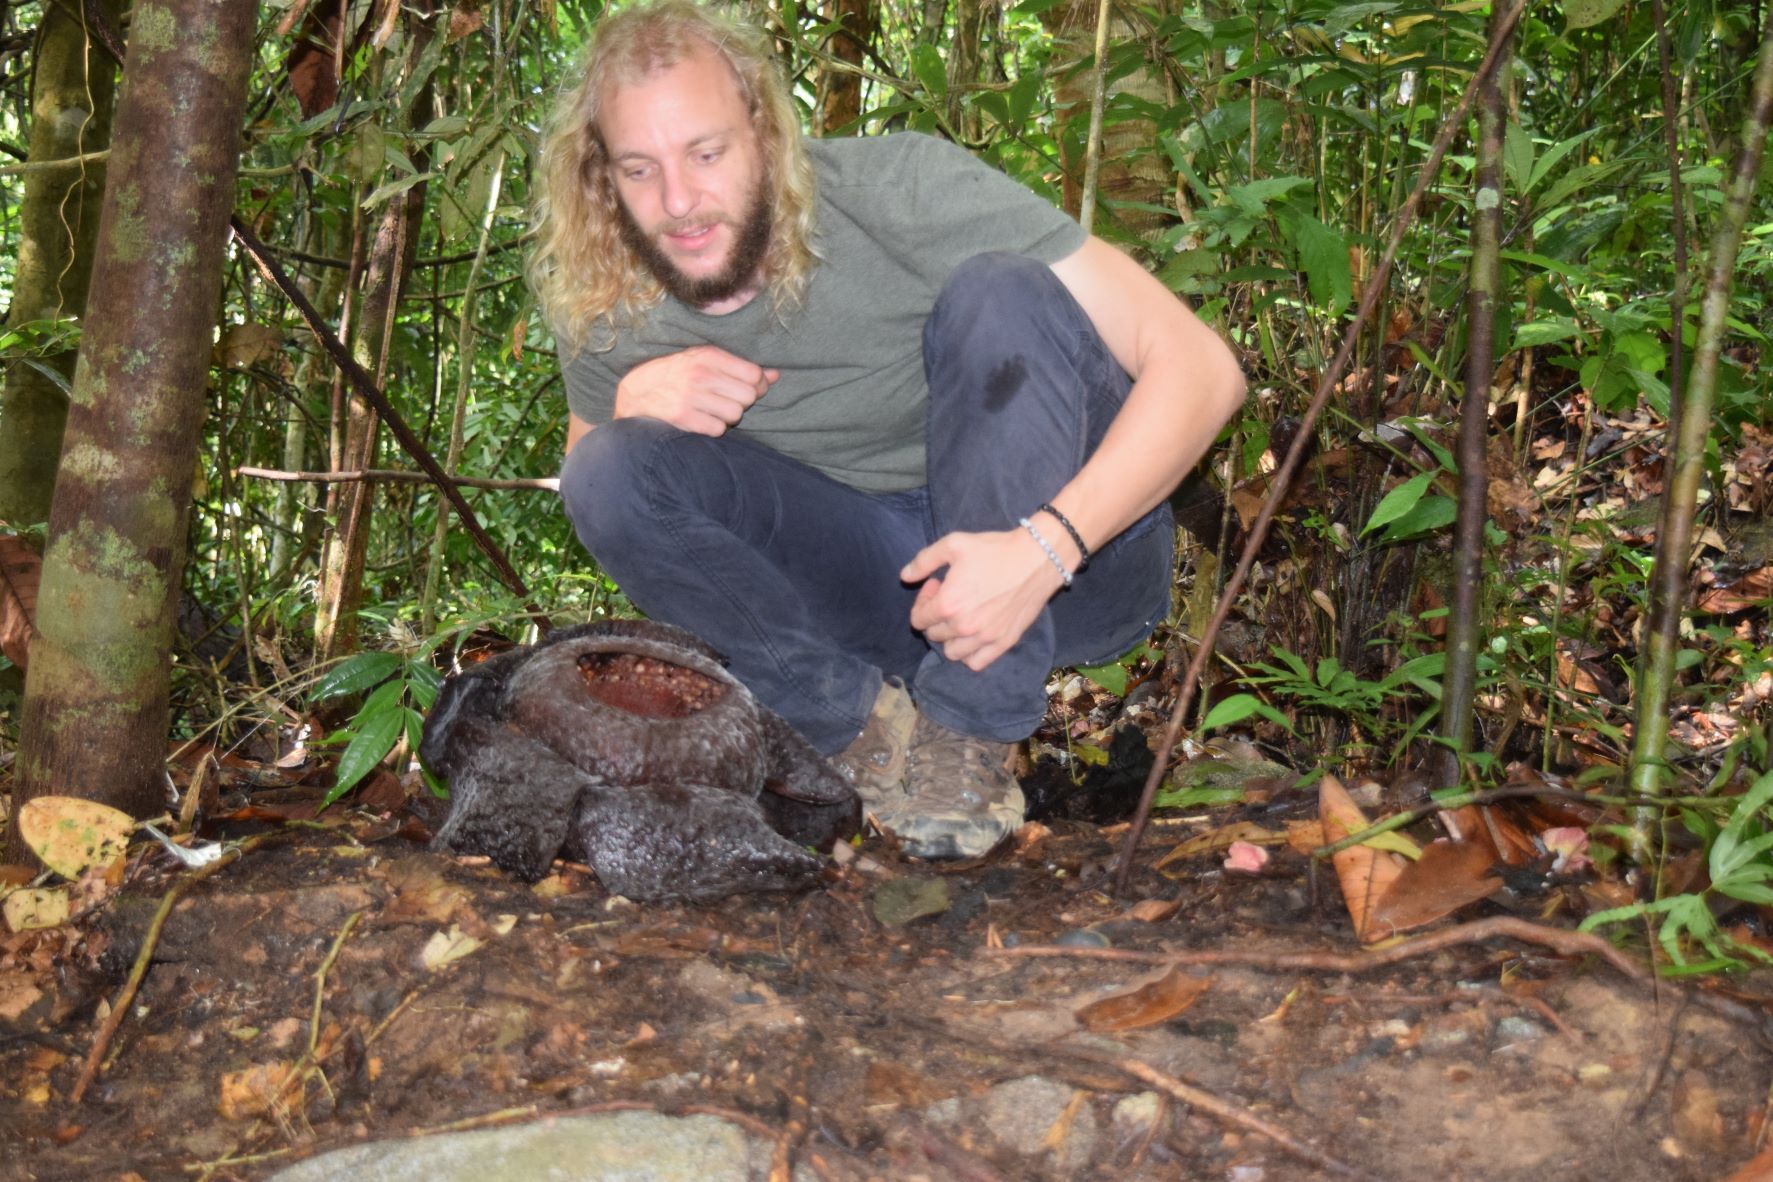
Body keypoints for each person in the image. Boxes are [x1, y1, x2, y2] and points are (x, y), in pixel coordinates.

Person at [528, 0, 1245, 860]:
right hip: (877, 593)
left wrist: (1042, 548)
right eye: (640, 170)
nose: (679, 202)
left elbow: (1205, 369)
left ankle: (971, 732)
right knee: (611, 465)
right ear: (601, 176)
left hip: (1071, 566)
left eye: (707, 153)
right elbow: (592, 486)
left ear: (764, 129)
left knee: (1002, 291)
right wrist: (632, 410)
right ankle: (863, 728)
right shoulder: (608, 297)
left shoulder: (902, 189)